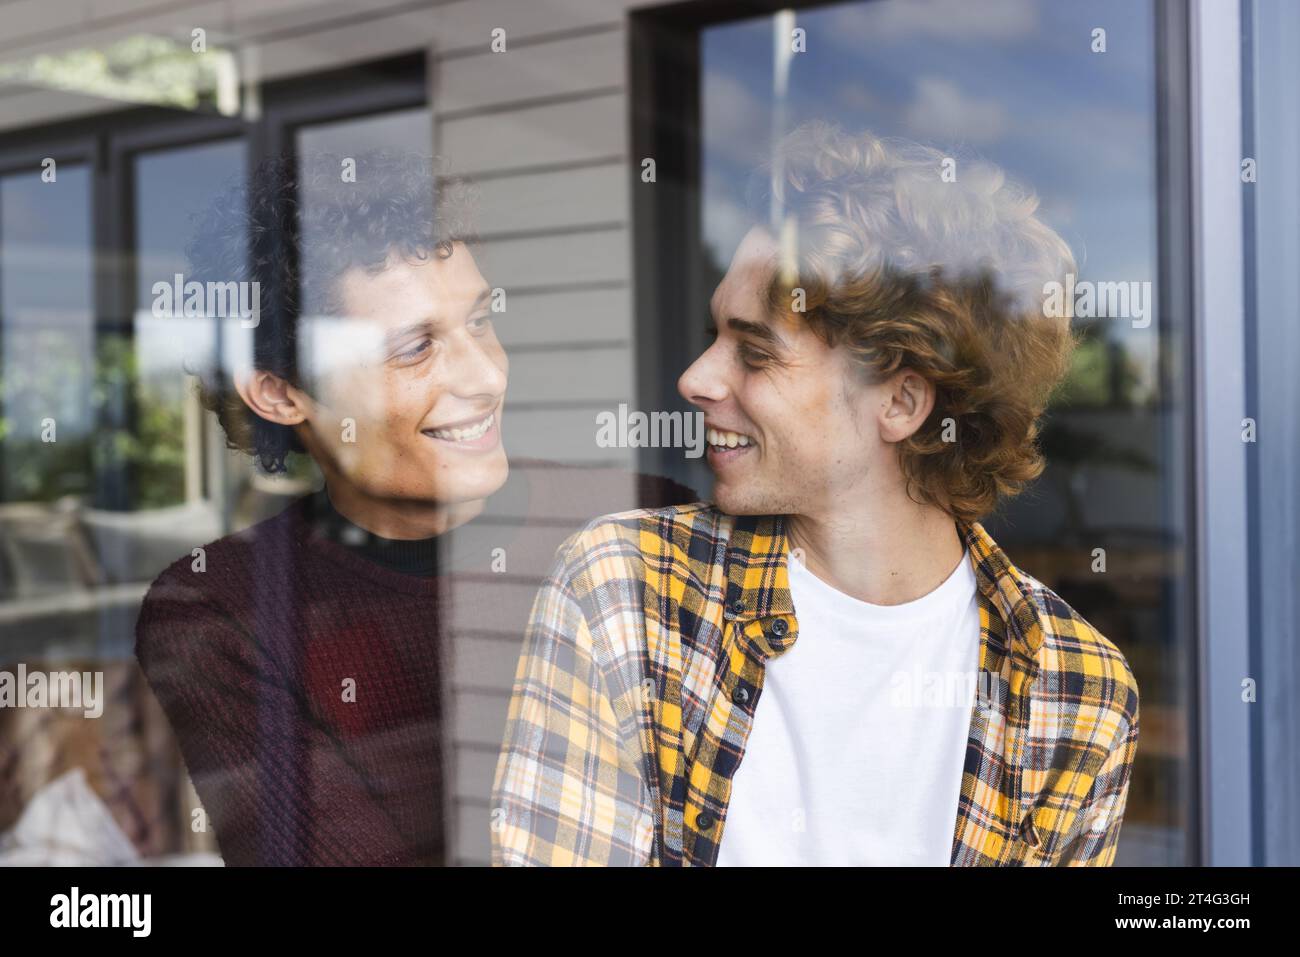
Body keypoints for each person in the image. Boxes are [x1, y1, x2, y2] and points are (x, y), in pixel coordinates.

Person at [491, 122, 1140, 866]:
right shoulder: (628, 592)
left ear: (900, 402)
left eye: (755, 352)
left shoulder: (1078, 691)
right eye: (715, 334)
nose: (696, 379)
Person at [134, 151, 696, 866]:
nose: (488, 375)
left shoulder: (648, 519)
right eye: (415, 347)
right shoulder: (220, 607)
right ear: (279, 392)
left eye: (481, 320)